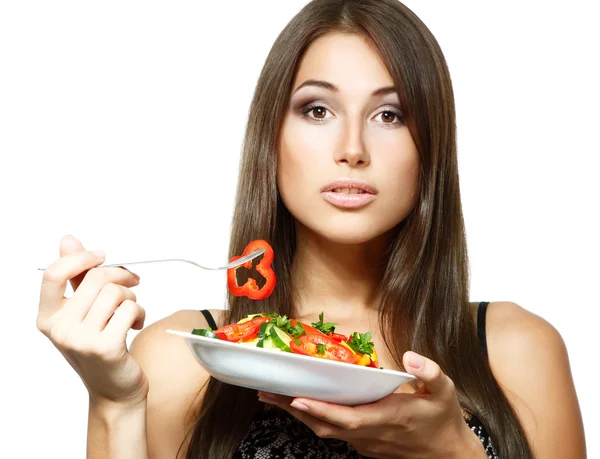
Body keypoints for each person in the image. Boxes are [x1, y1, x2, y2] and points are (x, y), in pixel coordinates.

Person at [36, 1, 586, 458]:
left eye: (389, 115)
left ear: (432, 150)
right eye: (317, 110)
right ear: (271, 138)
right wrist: (112, 400)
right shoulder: (182, 358)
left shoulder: (517, 348)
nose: (352, 149)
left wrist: (455, 451)